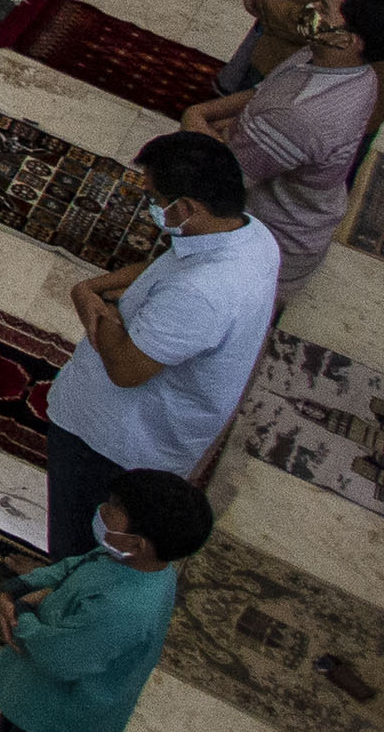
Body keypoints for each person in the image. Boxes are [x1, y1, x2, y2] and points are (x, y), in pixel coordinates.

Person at [39, 131, 278, 555]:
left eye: (153, 196)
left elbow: (126, 370)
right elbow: (167, 265)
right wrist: (95, 286)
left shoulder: (202, 293)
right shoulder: (251, 233)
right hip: (149, 420)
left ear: (186, 208)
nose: (148, 204)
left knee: (84, 524)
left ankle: (61, 584)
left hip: (115, 436)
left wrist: (95, 306)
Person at [185, 0, 384, 299]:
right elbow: (264, 92)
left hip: (271, 241)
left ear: (349, 40)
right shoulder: (343, 66)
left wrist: (193, 120)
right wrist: (207, 111)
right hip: (299, 216)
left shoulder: (300, 115)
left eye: (323, 9)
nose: (310, 10)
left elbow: (222, 179)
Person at [0, 469, 208, 732]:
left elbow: (58, 658)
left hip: (47, 720)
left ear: (137, 543)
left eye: (114, 508)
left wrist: (22, 611)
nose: (102, 510)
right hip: (41, 691)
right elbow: (75, 566)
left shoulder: (124, 609)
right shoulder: (130, 559)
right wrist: (20, 587)